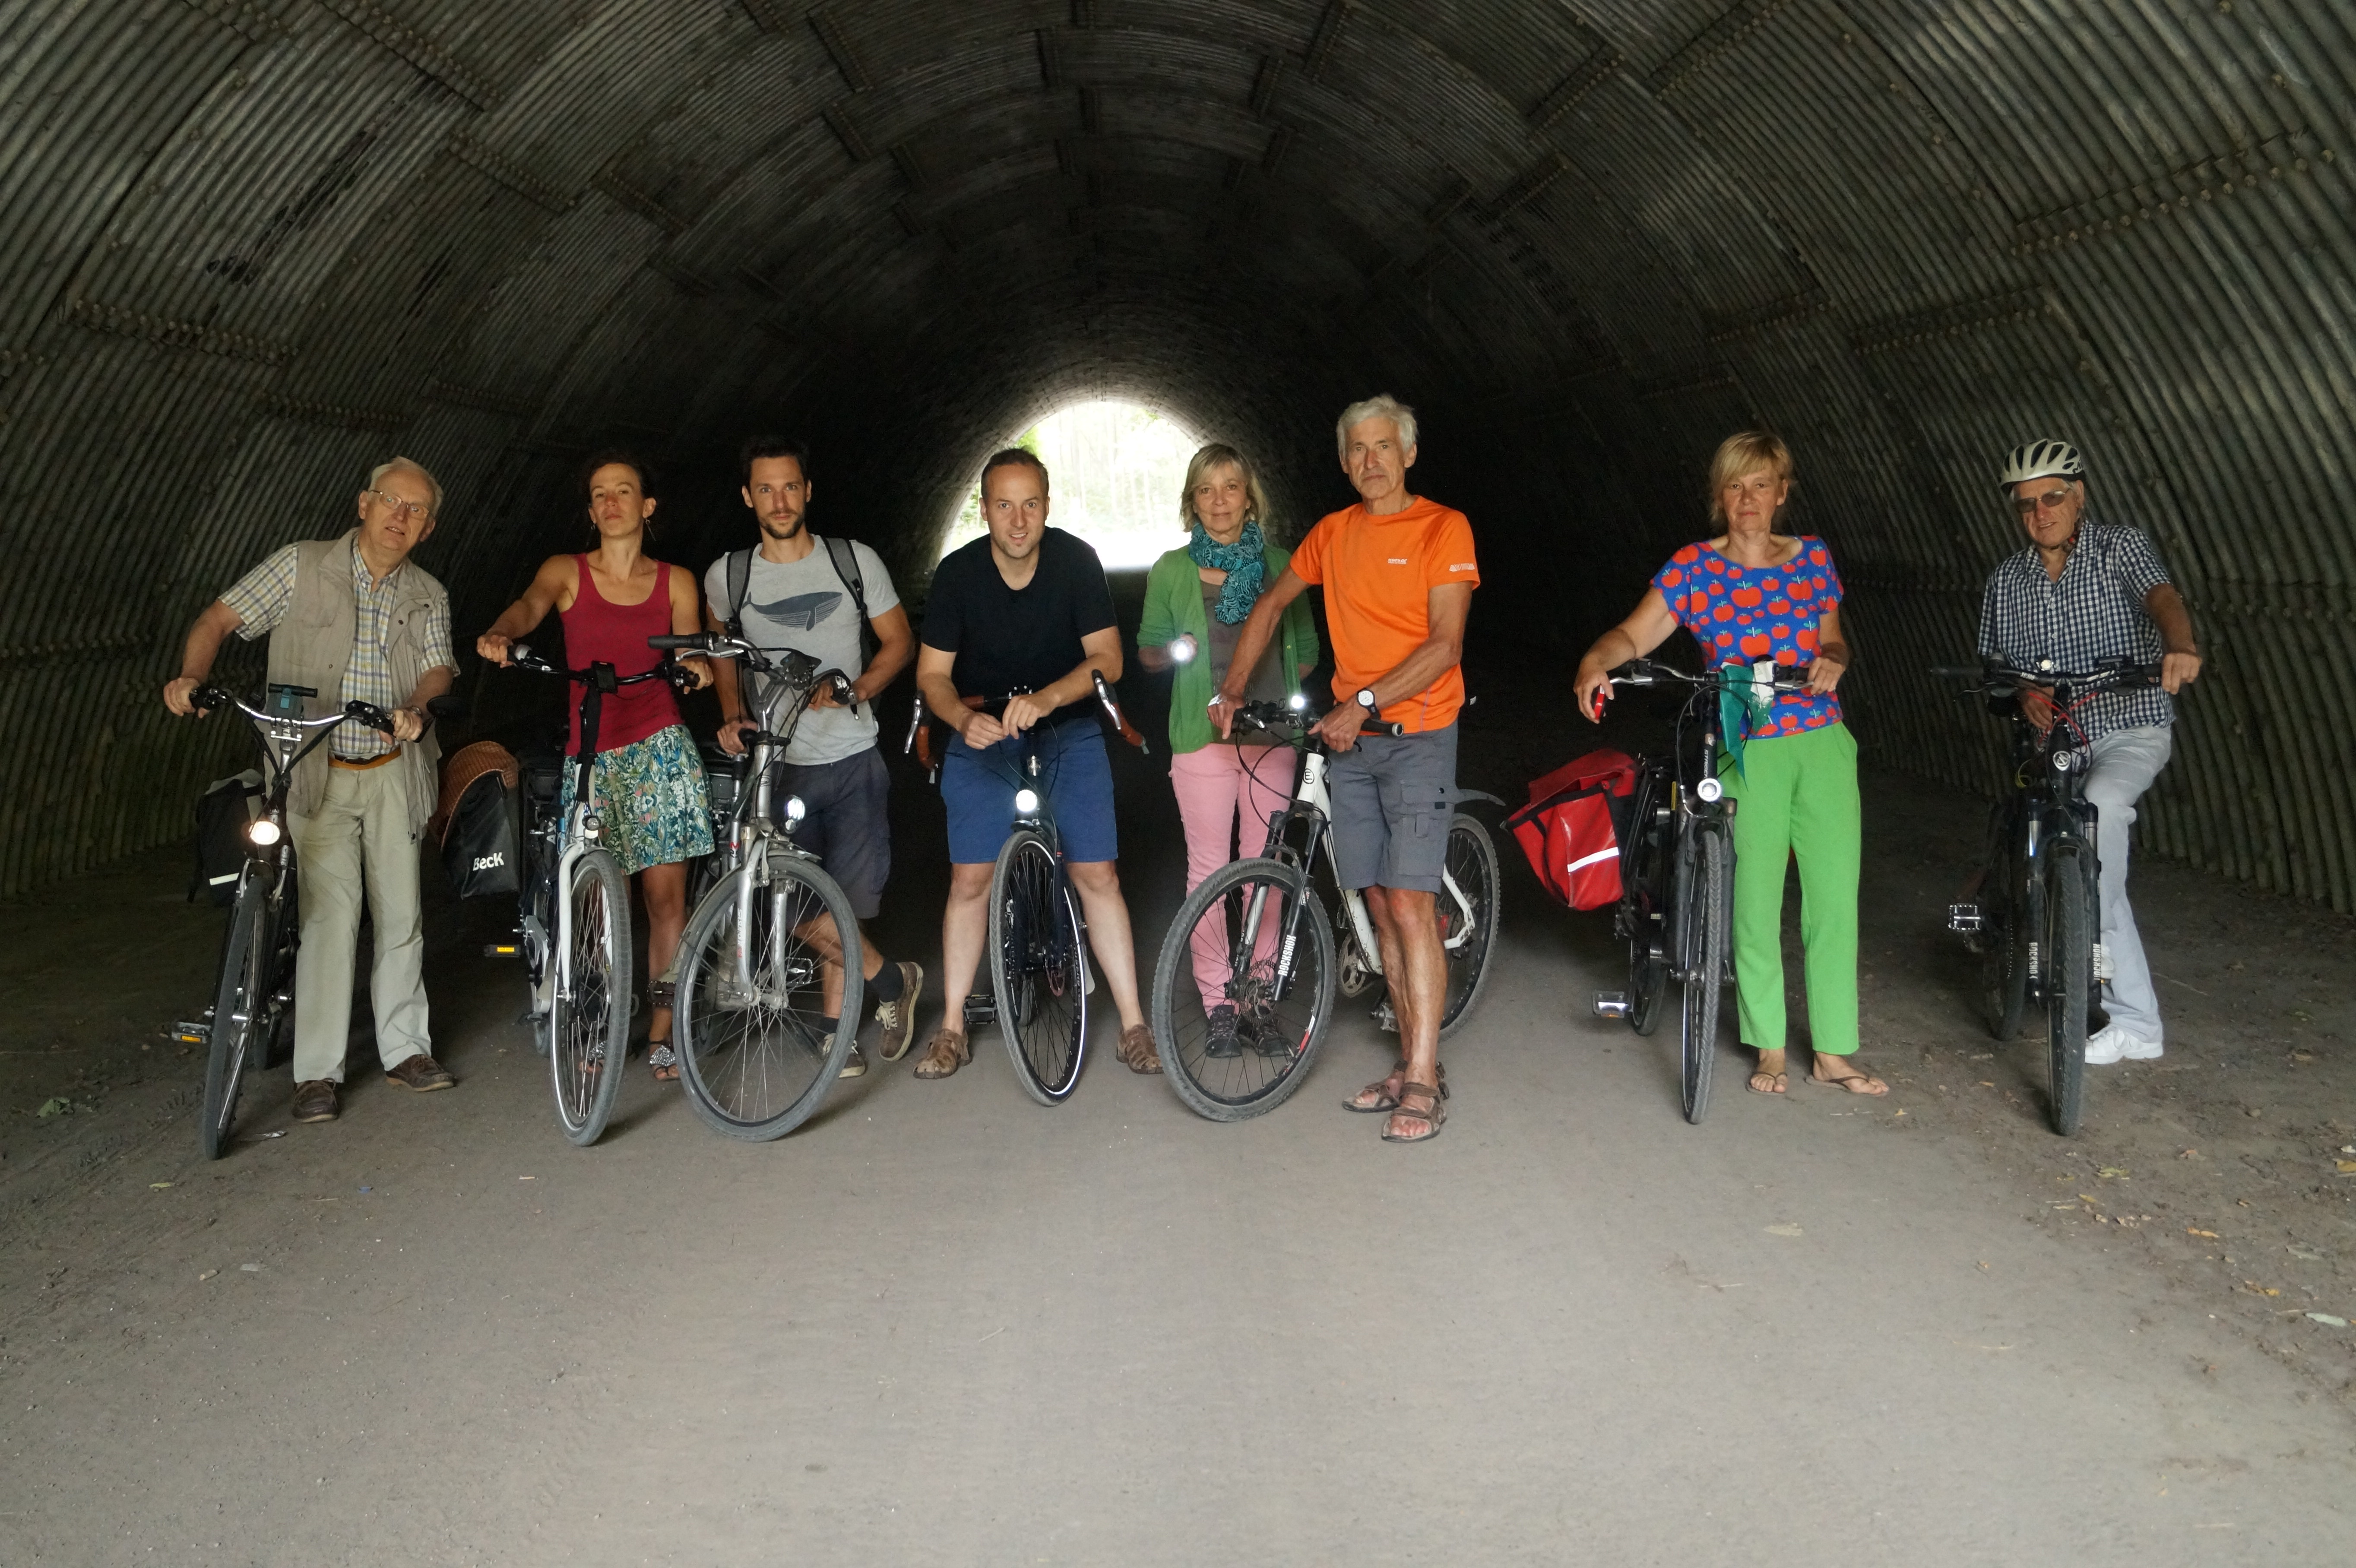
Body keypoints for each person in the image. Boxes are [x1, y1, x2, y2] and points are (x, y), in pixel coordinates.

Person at [1573, 431, 1880, 1097]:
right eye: (1736, 485)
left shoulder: (1813, 559)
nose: (1749, 498)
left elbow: (1833, 638)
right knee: (1755, 897)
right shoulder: (1693, 569)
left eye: (1761, 484)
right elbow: (1634, 633)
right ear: (1720, 495)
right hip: (1747, 743)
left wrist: (1835, 658)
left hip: (1822, 740)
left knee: (1834, 898)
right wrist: (1595, 662)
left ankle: (1833, 1052)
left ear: (1782, 492)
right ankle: (1769, 1046)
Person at [1211, 395, 1478, 1144]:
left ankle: (1422, 1080)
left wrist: (1361, 702)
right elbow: (1272, 604)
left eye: (1384, 446)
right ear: (1344, 461)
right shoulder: (1333, 533)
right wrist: (1233, 687)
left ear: (1409, 454)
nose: (1371, 460)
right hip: (1352, 744)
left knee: (1412, 903)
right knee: (1381, 904)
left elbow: (1445, 645)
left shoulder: (1443, 528)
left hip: (1417, 734)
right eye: (1358, 449)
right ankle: (1409, 1061)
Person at [162, 458, 459, 1125]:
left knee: (402, 915)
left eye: (416, 510)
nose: (400, 516)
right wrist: (190, 677)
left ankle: (407, 1051)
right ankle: (318, 1073)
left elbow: (439, 668)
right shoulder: (301, 565)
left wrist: (417, 709)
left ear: (428, 529)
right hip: (314, 766)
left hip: (393, 769)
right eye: (390, 501)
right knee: (329, 917)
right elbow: (217, 619)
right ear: (364, 503)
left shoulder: (428, 593)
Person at [912, 447, 1160, 1079]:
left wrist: (1048, 698)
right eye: (1004, 506)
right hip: (983, 732)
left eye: (1030, 505)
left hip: (1065, 727)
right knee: (970, 880)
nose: (1018, 521)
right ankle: (951, 1028)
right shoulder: (959, 574)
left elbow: (1109, 658)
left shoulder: (1075, 561)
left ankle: (1134, 1025)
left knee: (1097, 873)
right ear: (984, 510)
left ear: (1047, 506)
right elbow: (933, 675)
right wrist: (962, 719)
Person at [475, 452, 712, 1081]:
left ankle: (663, 1032)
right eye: (600, 494)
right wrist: (501, 633)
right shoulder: (567, 571)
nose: (611, 503)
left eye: (624, 491)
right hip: (592, 755)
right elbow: (529, 606)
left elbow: (690, 644)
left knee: (666, 901)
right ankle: (601, 1022)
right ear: (590, 510)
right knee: (598, 907)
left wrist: (695, 668)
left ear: (647, 506)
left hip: (660, 748)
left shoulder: (677, 581)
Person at [704, 435, 924, 1077]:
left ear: (808, 491)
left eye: (790, 487)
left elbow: (899, 641)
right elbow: (720, 650)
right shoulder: (729, 576)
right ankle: (893, 980)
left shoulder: (852, 562)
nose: (780, 501)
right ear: (748, 498)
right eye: (765, 489)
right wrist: (731, 713)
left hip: (852, 759)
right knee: (798, 905)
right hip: (777, 766)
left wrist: (858, 688)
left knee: (846, 902)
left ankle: (836, 1030)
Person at [1977, 439, 2201, 1064]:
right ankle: (2029, 919)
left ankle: (2136, 1023)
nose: (2041, 513)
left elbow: (2162, 597)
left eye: (2052, 497)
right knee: (2037, 827)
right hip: (2056, 741)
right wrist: (2024, 692)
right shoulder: (2007, 581)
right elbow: (1996, 670)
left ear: (2078, 496)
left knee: (2099, 815)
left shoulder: (2118, 548)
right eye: (2026, 505)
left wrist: (2179, 646)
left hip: (2129, 728)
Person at [1136, 443, 1320, 1056]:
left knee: (1266, 870)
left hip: (1271, 738)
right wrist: (1175, 653)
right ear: (1192, 501)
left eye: (1231, 487)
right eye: (1206, 490)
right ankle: (1219, 1001)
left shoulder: (1281, 563)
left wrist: (1272, 689)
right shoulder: (1171, 569)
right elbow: (1148, 650)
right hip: (1201, 737)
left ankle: (1258, 997)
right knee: (1210, 871)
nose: (1219, 501)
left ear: (1250, 497)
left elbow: (1306, 649)